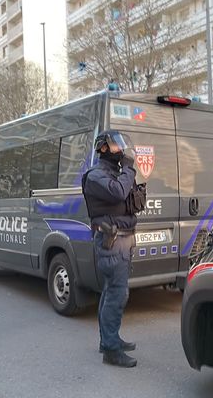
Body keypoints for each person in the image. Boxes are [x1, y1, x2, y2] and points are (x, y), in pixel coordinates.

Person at [82, 130, 138, 368]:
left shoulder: (114, 173)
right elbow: (118, 191)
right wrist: (130, 169)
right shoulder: (95, 176)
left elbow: (128, 197)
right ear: (103, 148)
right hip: (111, 241)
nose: (120, 150)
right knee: (117, 293)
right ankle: (111, 351)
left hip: (122, 240)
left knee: (111, 291)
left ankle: (108, 340)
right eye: (116, 146)